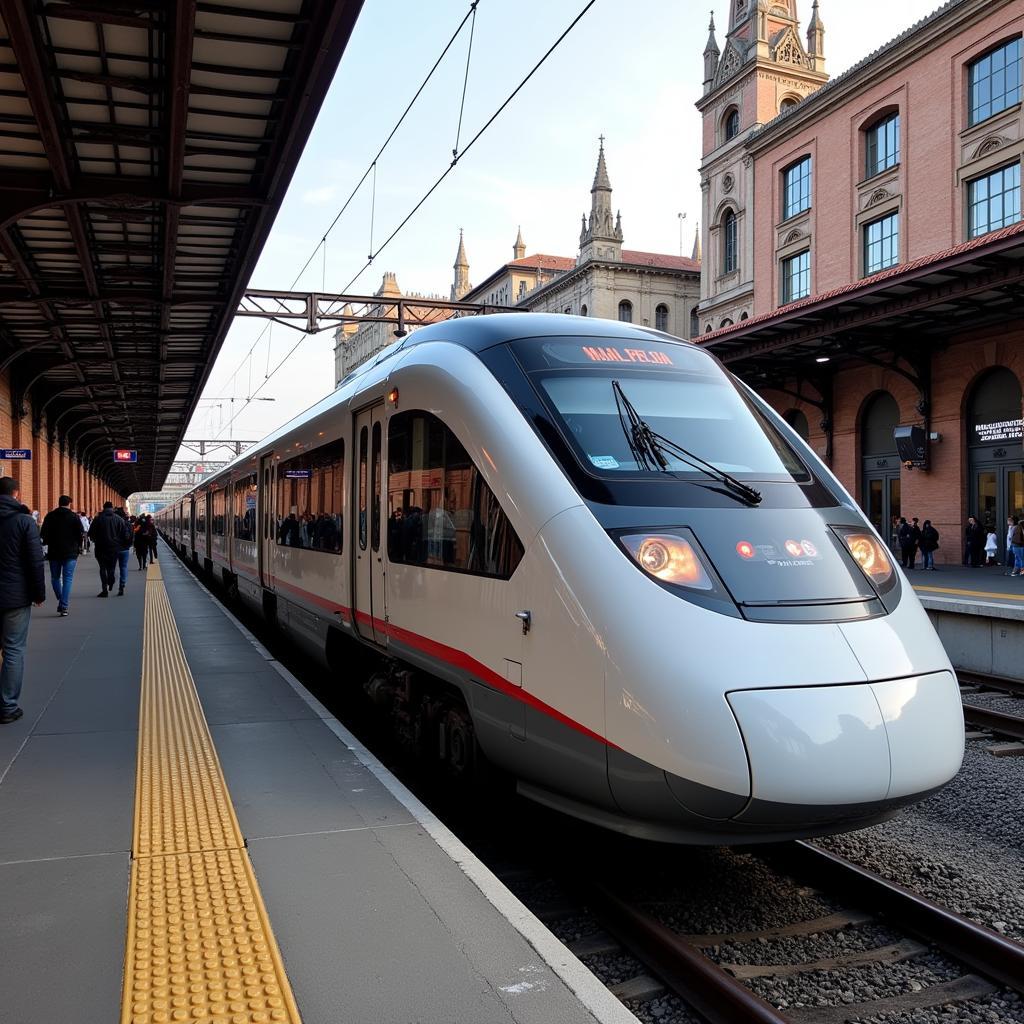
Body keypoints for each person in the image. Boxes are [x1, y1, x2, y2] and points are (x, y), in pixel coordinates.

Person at [0, 477, 45, 724]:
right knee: (14, 649)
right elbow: (35, 562)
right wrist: (38, 594)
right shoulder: (24, 521)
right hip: (15, 596)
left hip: (13, 594)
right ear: (16, 494)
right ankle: (7, 706)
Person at [39, 495, 84, 616]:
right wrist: (79, 547)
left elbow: (43, 534)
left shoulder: (50, 516)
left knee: (55, 577)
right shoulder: (74, 517)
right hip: (70, 552)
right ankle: (64, 605)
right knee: (67, 578)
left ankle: (61, 598)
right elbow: (80, 534)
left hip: (54, 552)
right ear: (69, 504)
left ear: (59, 503)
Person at [89, 501, 131, 597]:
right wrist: (118, 541)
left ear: (103, 508)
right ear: (112, 508)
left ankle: (104, 590)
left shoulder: (98, 519)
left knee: (102, 568)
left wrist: (96, 540)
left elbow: (91, 533)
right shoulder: (119, 519)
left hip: (100, 548)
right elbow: (126, 535)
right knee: (111, 568)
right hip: (114, 548)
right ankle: (111, 582)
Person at [114, 508, 132, 594]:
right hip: (125, 549)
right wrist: (128, 546)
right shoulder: (128, 524)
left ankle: (111, 582)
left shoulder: (113, 523)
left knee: (112, 567)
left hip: (114, 549)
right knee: (123, 567)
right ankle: (122, 584)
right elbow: (131, 536)